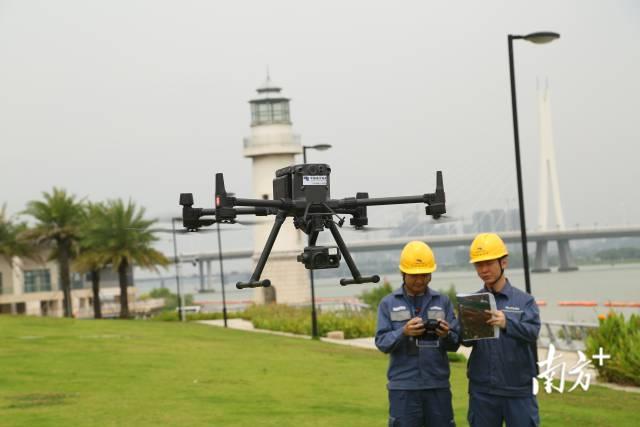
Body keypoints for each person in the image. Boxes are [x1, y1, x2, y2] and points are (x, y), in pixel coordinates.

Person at [375, 240, 459, 427]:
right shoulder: (388, 303)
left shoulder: (443, 301)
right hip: (403, 388)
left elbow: (455, 344)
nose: (420, 280)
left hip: (437, 387)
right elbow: (381, 342)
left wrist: (446, 335)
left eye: (425, 275)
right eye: (414, 275)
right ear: (403, 273)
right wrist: (403, 332)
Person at [464, 233, 541, 427]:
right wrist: (454, 329)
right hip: (483, 391)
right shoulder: (473, 303)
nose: (483, 270)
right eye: (478, 265)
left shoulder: (524, 301)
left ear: (503, 262)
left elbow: (532, 332)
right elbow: (465, 341)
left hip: (518, 390)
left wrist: (507, 323)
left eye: (489, 263)